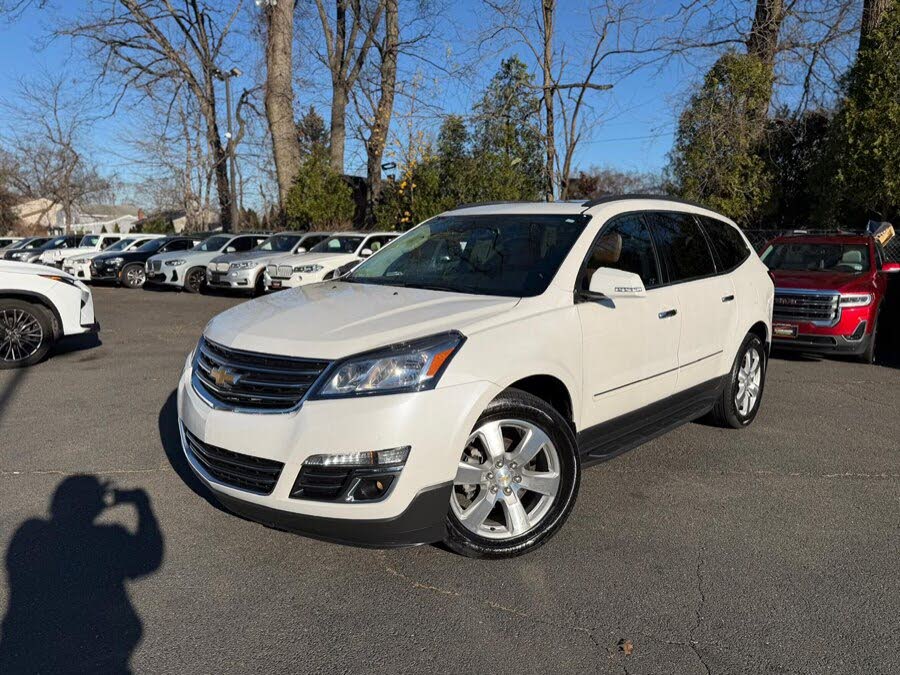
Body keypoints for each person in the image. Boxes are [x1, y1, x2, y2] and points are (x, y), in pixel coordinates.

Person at [0, 475, 163, 674]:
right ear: (98, 506)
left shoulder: (30, 534)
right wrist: (142, 504)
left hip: (28, 650)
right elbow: (149, 559)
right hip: (98, 658)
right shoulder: (108, 540)